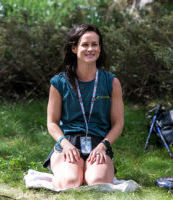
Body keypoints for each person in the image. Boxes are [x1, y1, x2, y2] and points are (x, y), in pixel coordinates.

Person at [42, 24, 124, 189]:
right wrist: (65, 144)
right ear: (74, 48)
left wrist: (103, 146)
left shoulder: (112, 82)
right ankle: (70, 169)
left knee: (97, 183)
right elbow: (52, 123)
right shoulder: (59, 82)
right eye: (85, 44)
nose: (90, 49)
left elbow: (118, 124)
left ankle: (90, 169)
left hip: (99, 143)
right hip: (69, 143)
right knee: (70, 182)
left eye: (95, 44)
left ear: (100, 48)